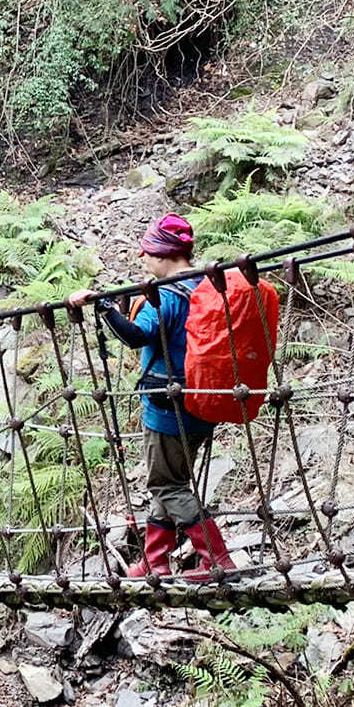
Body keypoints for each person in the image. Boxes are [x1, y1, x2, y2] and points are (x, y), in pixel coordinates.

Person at [68, 214, 236, 579]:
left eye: (145, 251)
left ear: (161, 254)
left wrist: (102, 306)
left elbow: (136, 337)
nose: (142, 258)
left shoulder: (168, 296)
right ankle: (154, 560)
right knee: (169, 477)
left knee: (167, 483)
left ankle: (217, 560)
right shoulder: (204, 285)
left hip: (167, 406)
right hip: (202, 400)